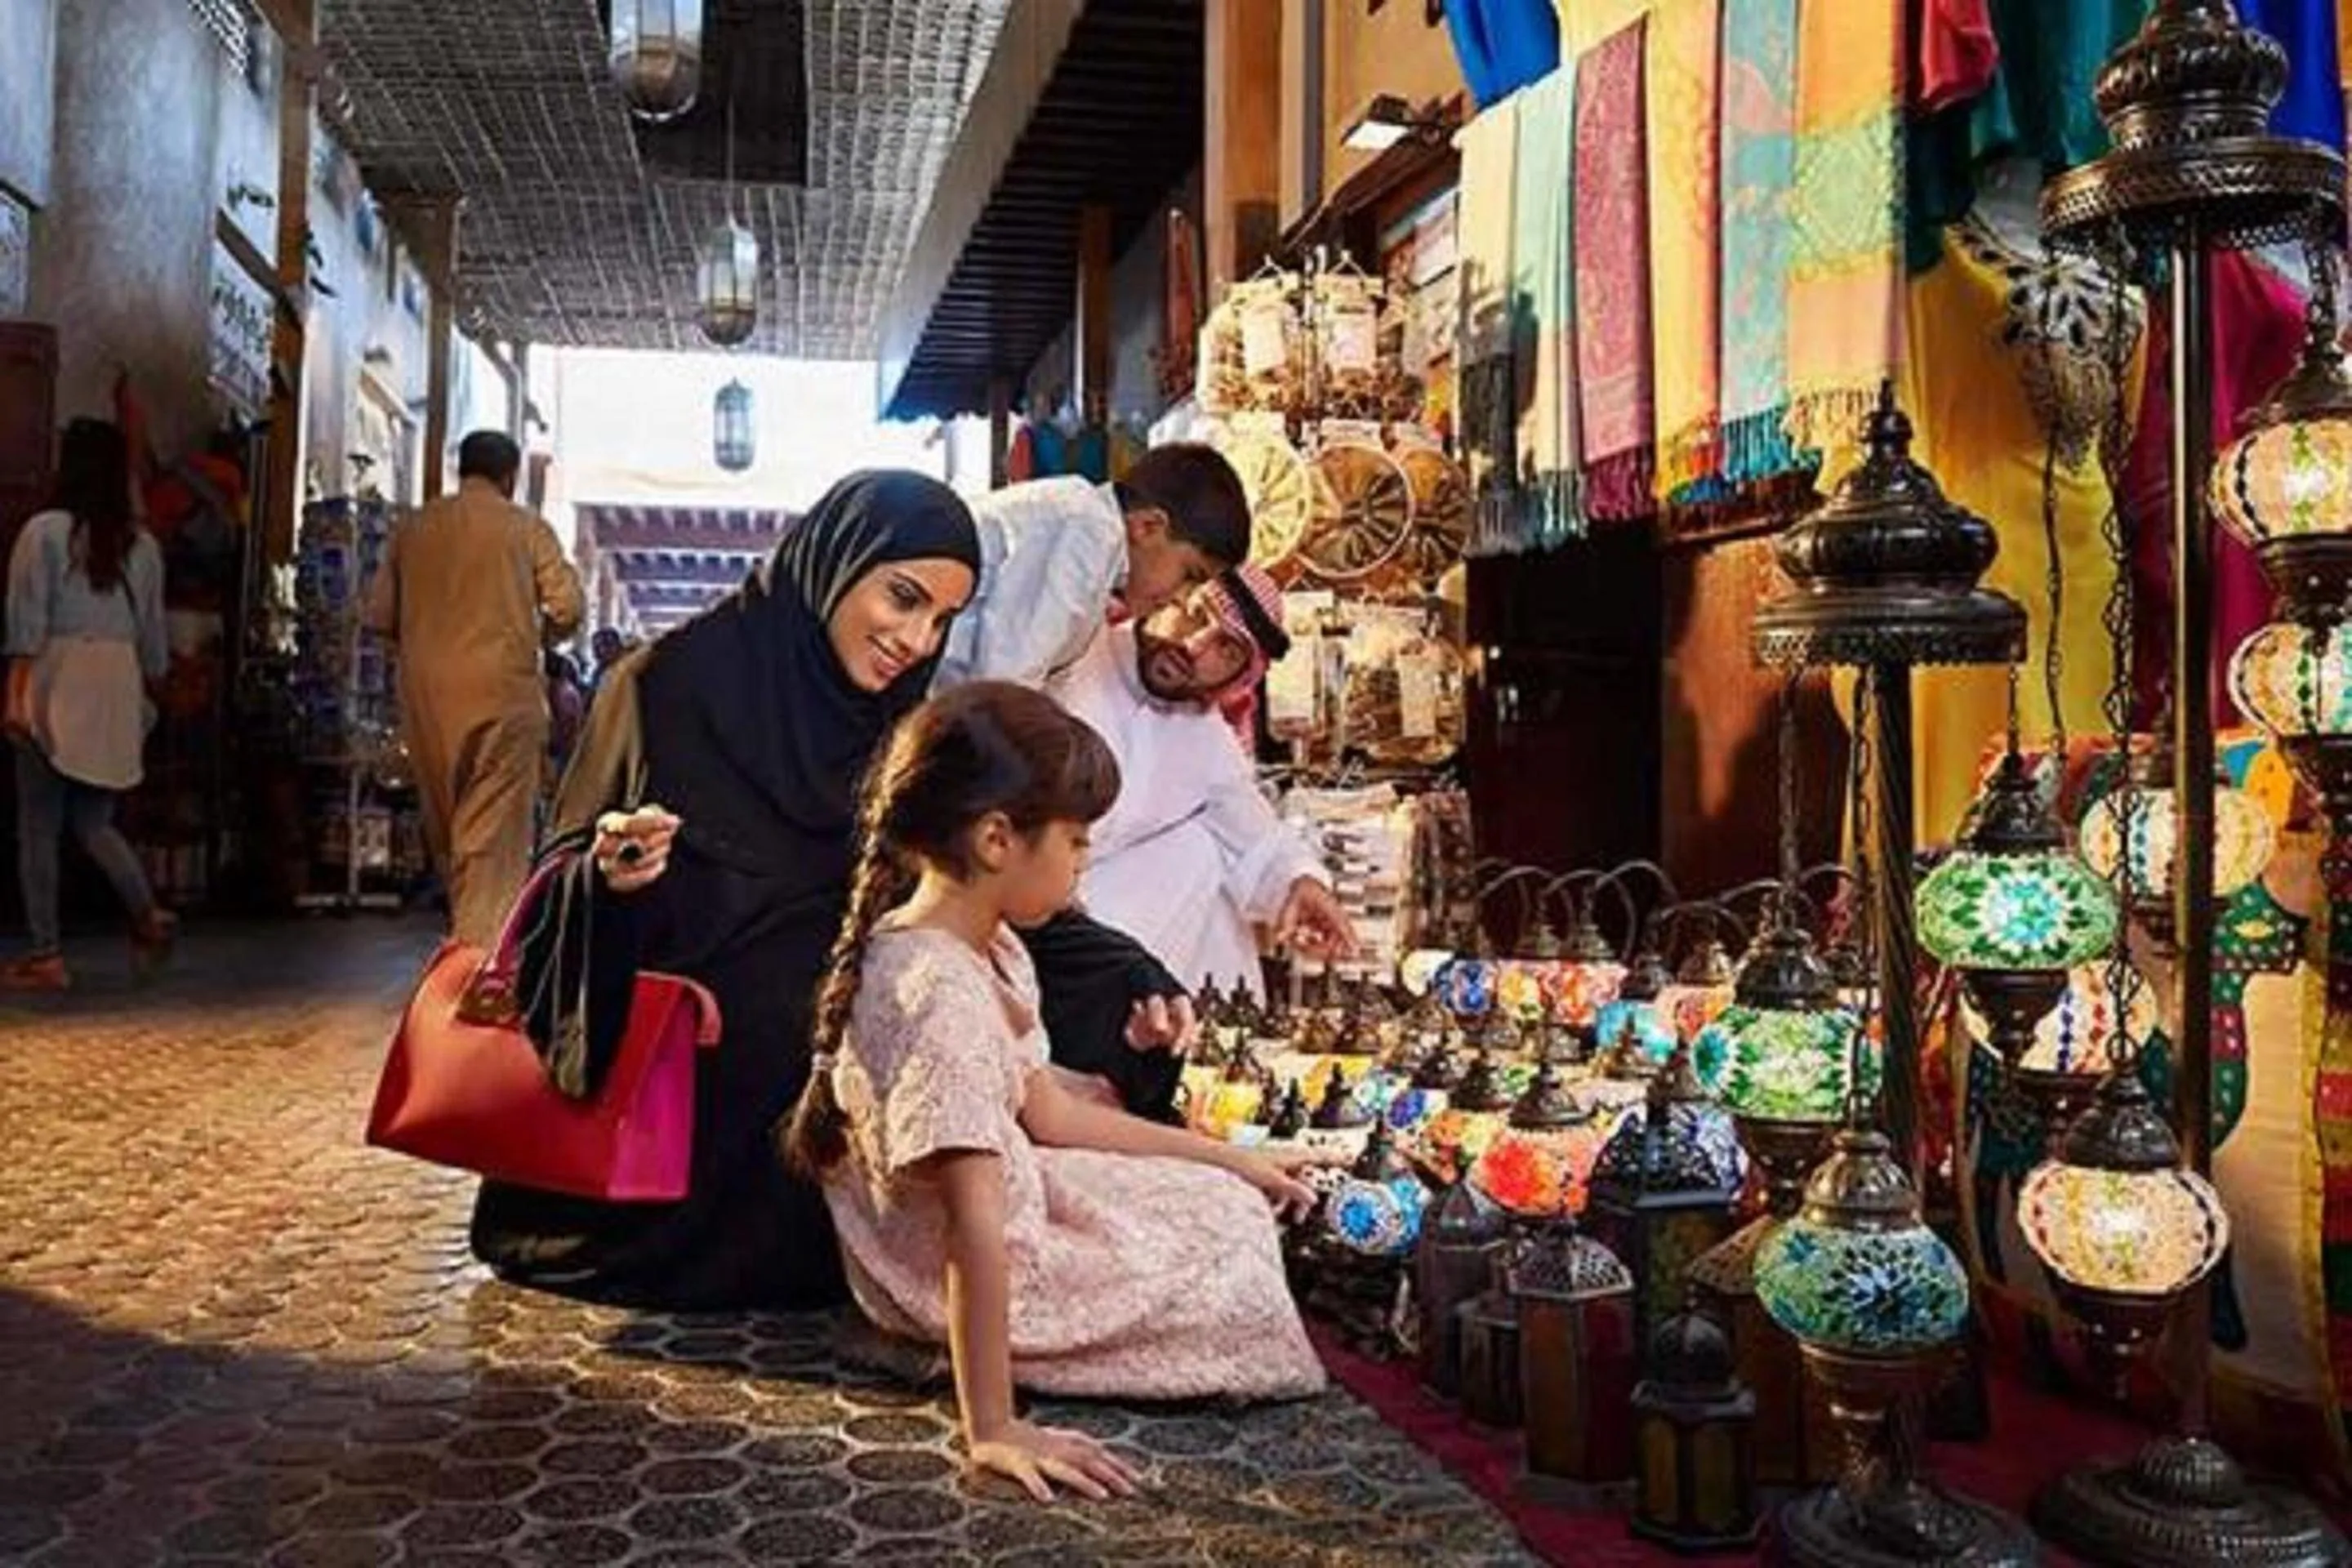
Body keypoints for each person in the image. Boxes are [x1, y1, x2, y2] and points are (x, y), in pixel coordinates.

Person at [782, 681, 1326, 1502]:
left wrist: (1231, 1159)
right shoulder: (938, 990)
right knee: (1232, 1255)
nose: (1084, 862)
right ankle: (925, 1342)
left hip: (1014, 1208)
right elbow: (973, 1224)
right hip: (955, 1263)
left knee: (1227, 1199)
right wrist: (994, 1428)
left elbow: (1051, 1113)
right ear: (998, 839)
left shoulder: (985, 945)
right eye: (1075, 841)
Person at [1045, 563, 1356, 1011]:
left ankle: (1210, 1046)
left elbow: (1253, 835)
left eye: (1226, 650)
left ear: (1236, 678)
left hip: (1098, 938)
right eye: (1194, 614)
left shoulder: (1203, 734)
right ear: (1168, 597)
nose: (1194, 646)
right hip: (1014, 906)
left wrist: (1301, 883)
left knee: (1203, 849)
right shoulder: (1071, 658)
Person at [363, 430, 584, 947]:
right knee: (492, 833)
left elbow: (378, 616)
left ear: (461, 468)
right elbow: (568, 608)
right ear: (509, 477)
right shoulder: (526, 530)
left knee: (449, 829)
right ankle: (481, 962)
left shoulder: (413, 530)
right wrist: (538, 633)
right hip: (501, 692)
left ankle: (466, 938)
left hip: (427, 697)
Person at [2, 419, 175, 991]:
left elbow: (27, 622)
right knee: (95, 821)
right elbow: (153, 646)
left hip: (57, 675)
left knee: (38, 825)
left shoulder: (44, 533)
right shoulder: (143, 547)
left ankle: (47, 954)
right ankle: (147, 915)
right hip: (115, 681)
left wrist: (15, 696)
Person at [931, 442, 1254, 691]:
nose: (1182, 599)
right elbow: (1003, 684)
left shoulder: (1091, 530)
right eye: (1191, 575)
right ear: (1148, 527)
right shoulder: (1090, 529)